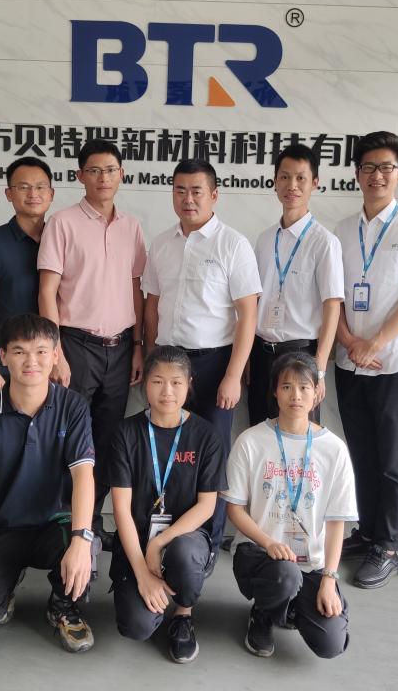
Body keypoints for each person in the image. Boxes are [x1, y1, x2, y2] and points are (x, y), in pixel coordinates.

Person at [0, 314, 99, 653]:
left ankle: (62, 606)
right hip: (0, 529)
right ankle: (5, 584)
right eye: (19, 351)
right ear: (3, 356)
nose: (31, 361)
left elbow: (84, 476)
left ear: (55, 356)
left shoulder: (72, 407)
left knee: (87, 544)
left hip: (53, 525)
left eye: (41, 351)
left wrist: (81, 540)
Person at [333, 130, 398, 589]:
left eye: (386, 168)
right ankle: (368, 531)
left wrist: (373, 344)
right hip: (349, 361)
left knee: (395, 461)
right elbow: (333, 297)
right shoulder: (341, 230)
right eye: (369, 167)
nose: (377, 175)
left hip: (395, 364)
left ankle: (390, 545)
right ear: (357, 174)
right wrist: (348, 341)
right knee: (361, 453)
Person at [142, 158, 261, 549]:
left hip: (213, 364)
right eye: (180, 190)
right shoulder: (161, 243)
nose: (188, 199)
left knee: (211, 451)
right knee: (166, 447)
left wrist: (233, 375)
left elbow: (247, 314)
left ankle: (209, 538)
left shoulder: (233, 244)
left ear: (214, 195)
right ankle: (167, 530)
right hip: (167, 363)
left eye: (196, 191)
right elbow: (152, 304)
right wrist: (147, 353)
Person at [38, 139, 146, 548]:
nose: (103, 177)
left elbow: (136, 289)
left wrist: (138, 345)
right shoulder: (62, 223)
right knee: (67, 435)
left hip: (120, 348)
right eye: (95, 170)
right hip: (75, 345)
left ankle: (91, 523)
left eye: (111, 170)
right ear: (80, 175)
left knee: (105, 438)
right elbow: (47, 292)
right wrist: (55, 352)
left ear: (122, 174)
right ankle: (61, 523)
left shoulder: (131, 226)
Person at [222, 352, 357, 659]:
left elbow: (336, 523)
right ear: (274, 391)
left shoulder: (334, 450)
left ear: (317, 392)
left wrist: (329, 579)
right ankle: (264, 613)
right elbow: (234, 509)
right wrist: (268, 542)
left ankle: (291, 605)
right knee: (285, 576)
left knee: (331, 643)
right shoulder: (251, 441)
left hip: (312, 561)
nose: (295, 395)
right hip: (260, 554)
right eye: (286, 387)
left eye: (304, 387)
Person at [104, 345, 226, 663]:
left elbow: (207, 506)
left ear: (189, 384)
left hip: (185, 539)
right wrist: (143, 574)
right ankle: (154, 594)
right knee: (136, 626)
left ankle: (183, 613)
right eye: (158, 381)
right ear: (145, 383)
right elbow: (121, 510)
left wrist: (160, 542)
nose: (167, 391)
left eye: (176, 382)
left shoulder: (206, 436)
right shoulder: (125, 433)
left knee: (184, 554)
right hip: (137, 539)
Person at [250, 144, 343, 426]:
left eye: (301, 178)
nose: (292, 185)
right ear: (275, 182)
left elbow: (332, 307)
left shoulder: (324, 242)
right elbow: (254, 300)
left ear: (314, 183)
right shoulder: (265, 239)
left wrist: (319, 370)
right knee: (259, 434)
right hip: (261, 354)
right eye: (285, 177)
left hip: (301, 357)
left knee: (298, 440)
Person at [0, 156, 55, 397]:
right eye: (23, 187)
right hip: (4, 367)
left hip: (50, 364)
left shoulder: (62, 241)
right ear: (8, 194)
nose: (33, 194)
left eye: (40, 187)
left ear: (51, 194)